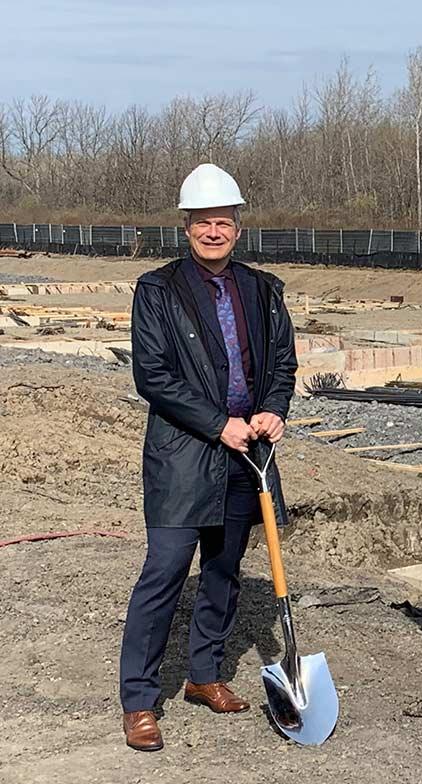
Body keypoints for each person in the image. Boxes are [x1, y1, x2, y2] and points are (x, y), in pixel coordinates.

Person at [119, 163, 298, 752]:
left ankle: (204, 674)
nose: (213, 231)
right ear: (187, 226)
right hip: (183, 457)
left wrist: (273, 409)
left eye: (223, 221)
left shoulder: (263, 290)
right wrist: (218, 423)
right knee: (166, 571)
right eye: (203, 222)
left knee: (224, 572)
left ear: (238, 227)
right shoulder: (158, 290)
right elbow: (154, 376)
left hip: (249, 455)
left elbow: (282, 366)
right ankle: (140, 701)